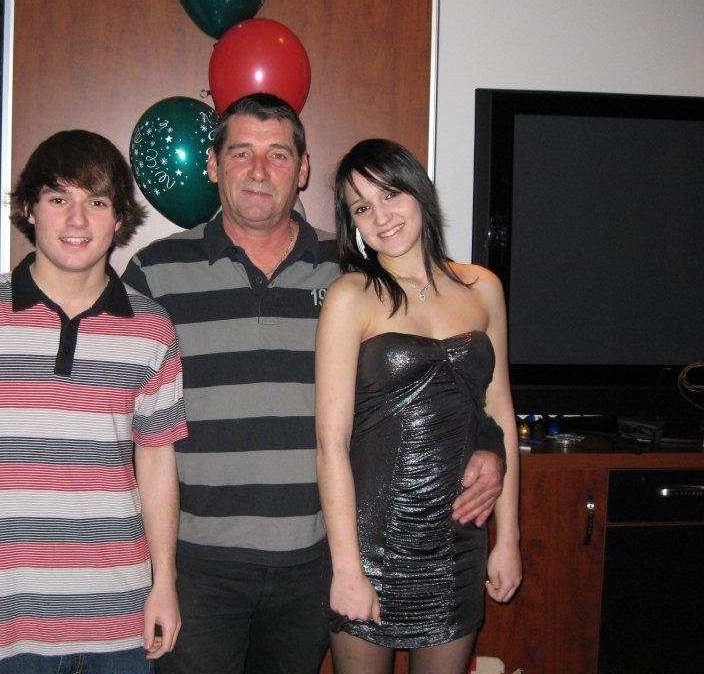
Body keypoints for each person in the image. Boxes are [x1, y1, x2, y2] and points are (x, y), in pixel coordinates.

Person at [120, 95, 506, 674]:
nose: (258, 170)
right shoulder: (154, 272)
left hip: (317, 557)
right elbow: (109, 402)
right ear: (213, 165)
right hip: (198, 564)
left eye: (278, 155)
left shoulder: (355, 268)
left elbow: (441, 371)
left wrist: (488, 445)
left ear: (302, 170)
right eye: (241, 152)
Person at [0, 130, 188, 674]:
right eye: (59, 199)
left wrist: (165, 583)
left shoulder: (151, 327)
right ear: (30, 209)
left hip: (119, 616)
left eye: (97, 202)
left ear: (118, 218)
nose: (77, 220)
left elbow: (156, 461)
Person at [315, 139, 521, 674]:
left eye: (390, 194)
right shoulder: (350, 296)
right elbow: (330, 445)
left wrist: (508, 539)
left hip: (457, 540)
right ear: (352, 224)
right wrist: (347, 567)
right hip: (372, 542)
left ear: (418, 191)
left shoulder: (483, 287)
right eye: (362, 207)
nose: (381, 216)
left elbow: (501, 413)